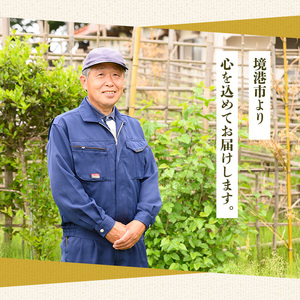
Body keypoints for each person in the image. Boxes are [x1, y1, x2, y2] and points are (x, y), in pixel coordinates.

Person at [47, 47, 161, 268]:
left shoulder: (134, 127)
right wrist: (105, 226)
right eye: (101, 75)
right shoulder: (65, 125)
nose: (110, 82)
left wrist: (141, 222)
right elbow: (64, 188)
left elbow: (149, 178)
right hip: (86, 244)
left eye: (116, 75)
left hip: (131, 242)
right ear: (84, 81)